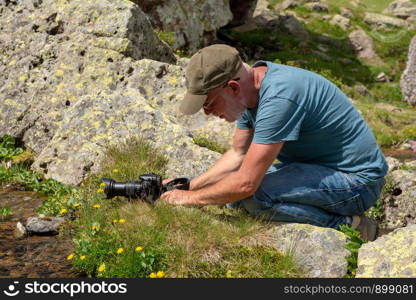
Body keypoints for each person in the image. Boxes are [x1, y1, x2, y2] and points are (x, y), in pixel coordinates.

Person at [160, 44, 387, 241]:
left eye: (209, 104)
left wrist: (189, 200)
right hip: (319, 170)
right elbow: (237, 154)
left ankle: (353, 226)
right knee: (232, 199)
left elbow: (246, 184)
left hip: (358, 183)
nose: (208, 113)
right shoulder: (251, 92)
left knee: (255, 198)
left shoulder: (279, 96)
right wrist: (187, 188)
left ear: (232, 87)